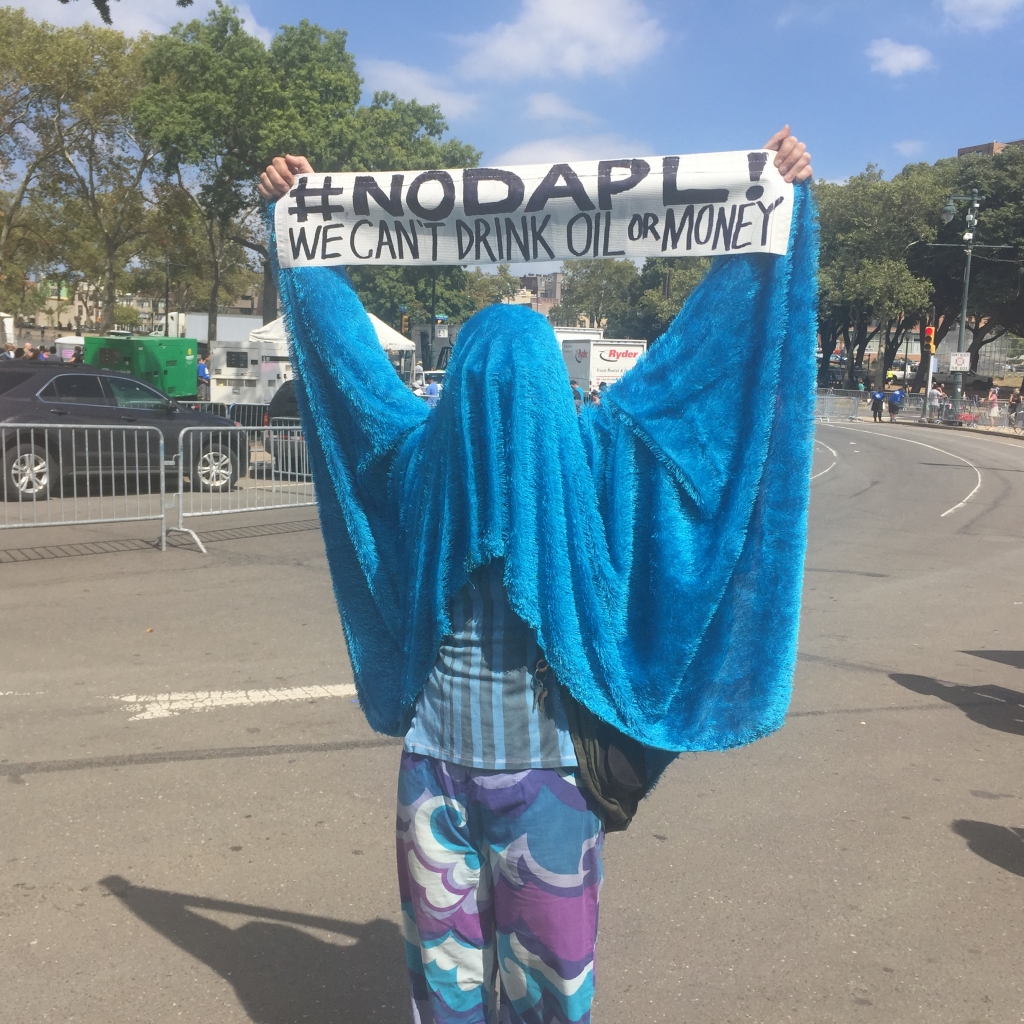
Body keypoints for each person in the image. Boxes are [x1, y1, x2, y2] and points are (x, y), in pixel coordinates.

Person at [259, 124, 814, 1024]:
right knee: (514, 991)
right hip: (471, 777)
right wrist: (302, 226)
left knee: (498, 992)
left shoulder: (460, 458)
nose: (506, 408)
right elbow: (692, 383)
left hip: (502, 779)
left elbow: (355, 380)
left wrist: (770, 220)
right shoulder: (484, 459)